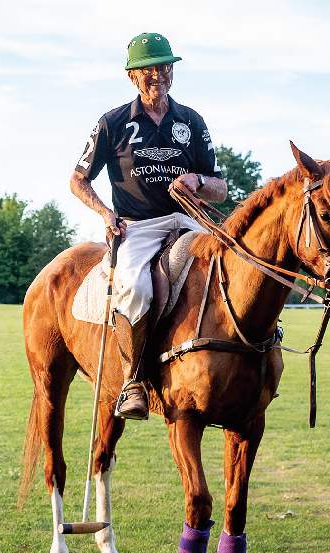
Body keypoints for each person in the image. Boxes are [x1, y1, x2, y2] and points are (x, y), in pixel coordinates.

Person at [70, 32, 227, 420]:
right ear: (132, 77)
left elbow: (220, 187)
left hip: (189, 221)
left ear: (172, 70)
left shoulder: (191, 121)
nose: (158, 75)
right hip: (138, 226)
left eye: (164, 67)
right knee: (136, 289)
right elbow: (78, 180)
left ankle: (252, 355)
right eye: (148, 70)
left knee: (230, 271)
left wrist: (198, 182)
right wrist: (107, 215)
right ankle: (133, 382)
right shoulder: (112, 123)